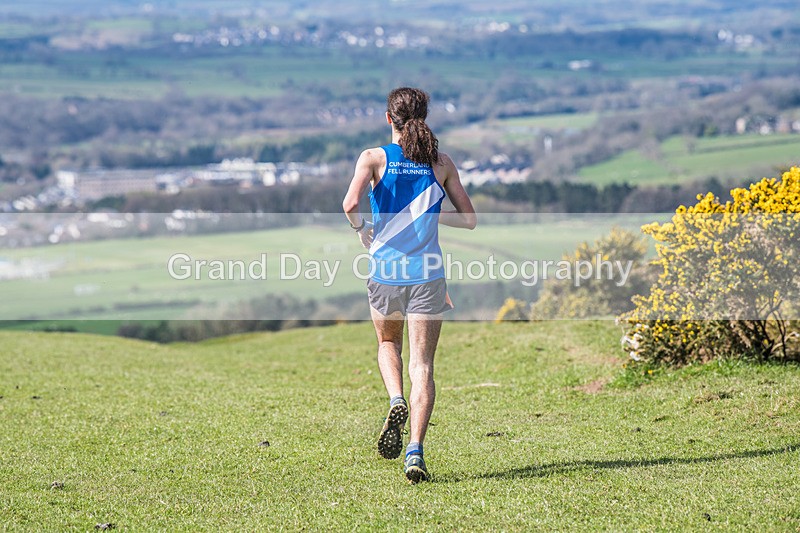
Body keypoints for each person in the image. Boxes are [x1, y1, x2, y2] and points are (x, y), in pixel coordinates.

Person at [342, 87, 477, 483]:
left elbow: (350, 205)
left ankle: (395, 398)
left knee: (387, 345)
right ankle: (415, 450)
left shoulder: (374, 158)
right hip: (428, 275)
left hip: (386, 272)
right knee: (424, 365)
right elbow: (469, 219)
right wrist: (432, 217)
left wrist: (362, 229)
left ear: (389, 119)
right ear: (425, 116)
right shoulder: (442, 163)